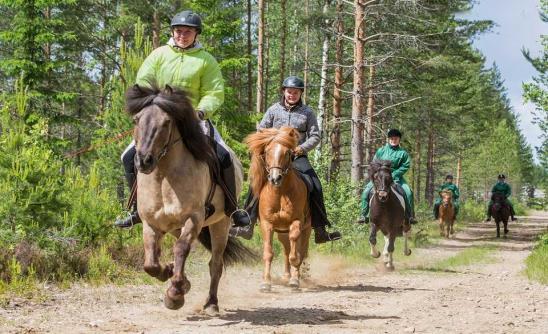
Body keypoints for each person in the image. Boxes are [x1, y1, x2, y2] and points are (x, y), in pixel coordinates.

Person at [114, 10, 249, 228]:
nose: (182, 35)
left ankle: (233, 208)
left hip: (194, 120)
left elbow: (214, 92)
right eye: (178, 31)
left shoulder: (206, 60)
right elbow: (143, 81)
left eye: (187, 32)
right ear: (173, 32)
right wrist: (151, 105)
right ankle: (135, 209)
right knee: (128, 156)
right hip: (159, 118)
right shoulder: (159, 55)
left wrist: (201, 111)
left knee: (223, 155)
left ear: (196, 34)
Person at [230, 76, 341, 244]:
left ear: (300, 94)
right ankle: (248, 224)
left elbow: (316, 135)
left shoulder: (307, 112)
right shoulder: (273, 110)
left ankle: (320, 229)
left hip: (297, 156)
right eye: (289, 92)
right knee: (257, 183)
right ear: (284, 92)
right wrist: (270, 143)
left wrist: (301, 148)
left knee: (315, 184)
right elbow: (261, 129)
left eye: (296, 93)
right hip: (275, 156)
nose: (292, 95)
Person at [358, 129, 417, 225]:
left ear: (399, 140)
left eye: (396, 138)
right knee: (365, 192)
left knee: (408, 192)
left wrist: (394, 174)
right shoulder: (381, 151)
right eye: (392, 138)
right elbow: (374, 163)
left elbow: (405, 166)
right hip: (381, 178)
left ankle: (409, 216)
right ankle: (364, 215)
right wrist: (378, 174)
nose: (394, 140)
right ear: (389, 139)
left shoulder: (403, 153)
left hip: (396, 178)